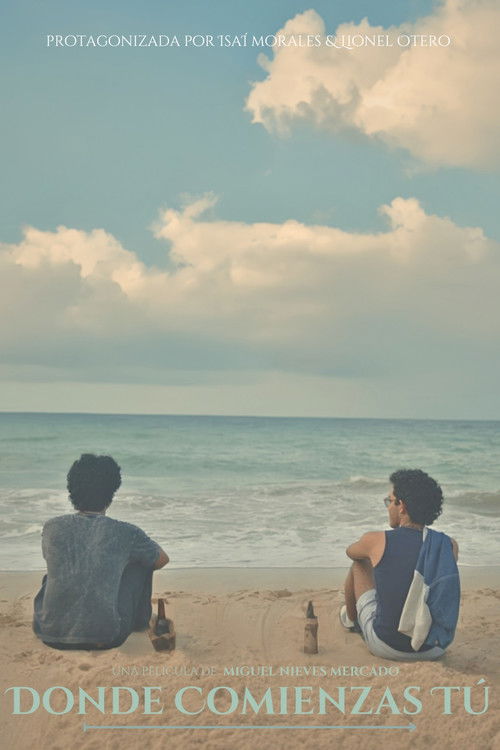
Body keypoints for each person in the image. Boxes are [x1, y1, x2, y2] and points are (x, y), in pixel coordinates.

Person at [33, 453, 169, 650]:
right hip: (107, 637)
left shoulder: (52, 527)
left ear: (72, 491)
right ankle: (140, 622)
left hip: (49, 634)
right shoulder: (126, 532)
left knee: (55, 573)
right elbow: (161, 560)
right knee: (142, 563)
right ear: (111, 494)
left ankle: (62, 621)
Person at [341, 468, 459, 661]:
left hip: (387, 645)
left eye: (390, 501)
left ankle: (352, 620)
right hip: (434, 647)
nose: (388, 507)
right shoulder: (448, 545)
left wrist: (375, 553)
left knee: (359, 564)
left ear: (402, 506)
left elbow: (350, 552)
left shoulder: (376, 540)